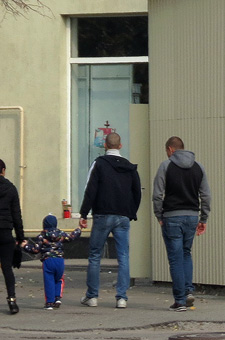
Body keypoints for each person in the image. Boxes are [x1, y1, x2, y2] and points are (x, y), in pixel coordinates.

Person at [78, 132, 142, 308]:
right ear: (120, 146)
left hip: (102, 214)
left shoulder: (99, 164)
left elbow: (90, 189)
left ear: (105, 145)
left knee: (95, 255)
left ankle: (92, 297)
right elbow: (137, 192)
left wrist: (83, 214)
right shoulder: (130, 167)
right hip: (123, 217)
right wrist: (131, 212)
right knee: (123, 256)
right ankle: (121, 297)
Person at [153, 136, 212, 312]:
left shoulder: (166, 166)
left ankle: (179, 300)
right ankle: (188, 292)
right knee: (186, 253)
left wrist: (159, 215)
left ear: (170, 149)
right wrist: (203, 218)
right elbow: (206, 195)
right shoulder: (198, 166)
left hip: (172, 216)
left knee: (175, 258)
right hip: (192, 216)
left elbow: (157, 195)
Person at [23, 215, 81, 310]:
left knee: (49, 281)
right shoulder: (61, 234)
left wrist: (25, 246)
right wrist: (79, 228)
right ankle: (57, 298)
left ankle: (49, 303)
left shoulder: (41, 236)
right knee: (59, 279)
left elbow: (35, 250)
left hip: (48, 260)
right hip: (59, 260)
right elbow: (71, 237)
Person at [0, 158, 25, 314]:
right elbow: (17, 215)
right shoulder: (11, 188)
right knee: (7, 269)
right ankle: (12, 301)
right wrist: (21, 237)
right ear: (3, 171)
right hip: (5, 234)